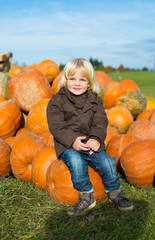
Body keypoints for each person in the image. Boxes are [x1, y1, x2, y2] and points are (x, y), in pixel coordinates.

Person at [46, 58, 134, 216]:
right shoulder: (56, 101)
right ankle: (86, 196)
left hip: (91, 143)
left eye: (82, 79)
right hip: (68, 144)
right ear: (65, 80)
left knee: (107, 162)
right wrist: (72, 140)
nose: (77, 83)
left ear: (89, 83)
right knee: (76, 161)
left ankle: (115, 193)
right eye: (72, 79)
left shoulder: (95, 101)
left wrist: (96, 138)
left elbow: (100, 121)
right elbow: (56, 126)